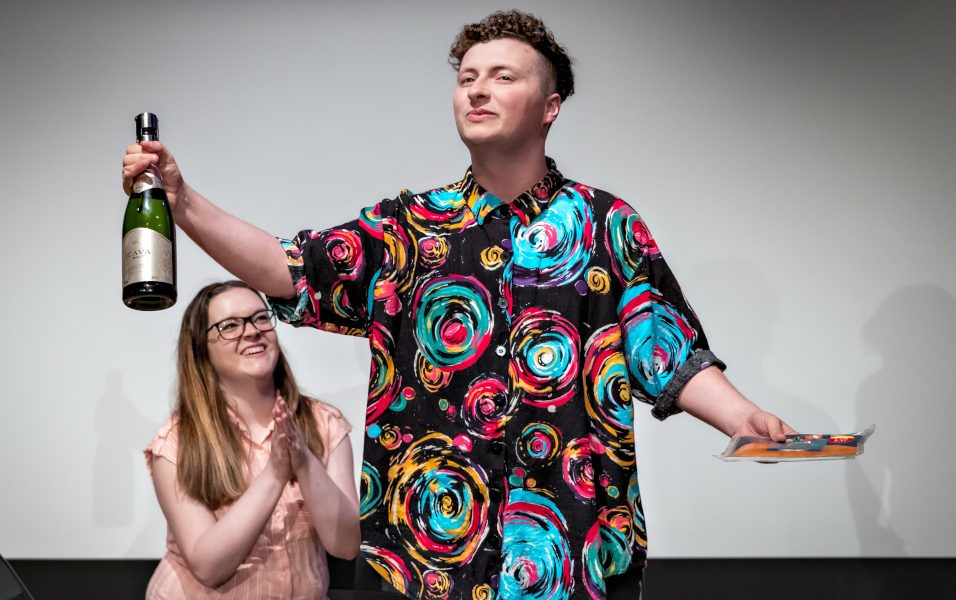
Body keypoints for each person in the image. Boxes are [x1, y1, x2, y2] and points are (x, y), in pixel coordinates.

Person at [124, 10, 796, 600]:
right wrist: (180, 203)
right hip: (425, 563)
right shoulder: (407, 228)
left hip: (576, 553)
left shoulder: (604, 223)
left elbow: (668, 350)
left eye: (504, 76)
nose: (477, 88)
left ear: (550, 105)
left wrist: (744, 418)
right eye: (467, 76)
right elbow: (284, 266)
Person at [143, 280, 360, 599]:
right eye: (230, 325)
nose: (252, 331)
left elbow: (346, 545)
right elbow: (208, 566)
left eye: (260, 318)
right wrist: (274, 474)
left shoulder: (323, 422)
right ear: (202, 349)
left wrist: (303, 461)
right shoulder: (176, 441)